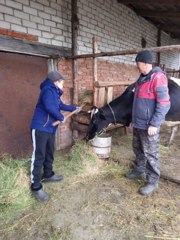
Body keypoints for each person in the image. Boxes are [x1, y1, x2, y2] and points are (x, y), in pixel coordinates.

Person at [30, 70, 81, 202]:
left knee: (49, 152)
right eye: (62, 81)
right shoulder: (48, 90)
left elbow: (60, 105)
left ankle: (48, 174)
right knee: (39, 156)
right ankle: (36, 186)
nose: (63, 84)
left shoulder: (55, 92)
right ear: (56, 81)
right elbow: (49, 107)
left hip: (50, 128)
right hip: (41, 127)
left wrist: (74, 108)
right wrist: (60, 117)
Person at [126, 50, 170, 196]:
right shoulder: (141, 79)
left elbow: (164, 103)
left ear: (145, 63)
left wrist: (155, 124)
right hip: (138, 123)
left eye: (138, 64)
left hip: (149, 125)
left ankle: (152, 181)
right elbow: (138, 103)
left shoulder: (158, 78)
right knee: (137, 148)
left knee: (151, 153)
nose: (137, 67)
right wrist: (133, 119)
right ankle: (139, 171)